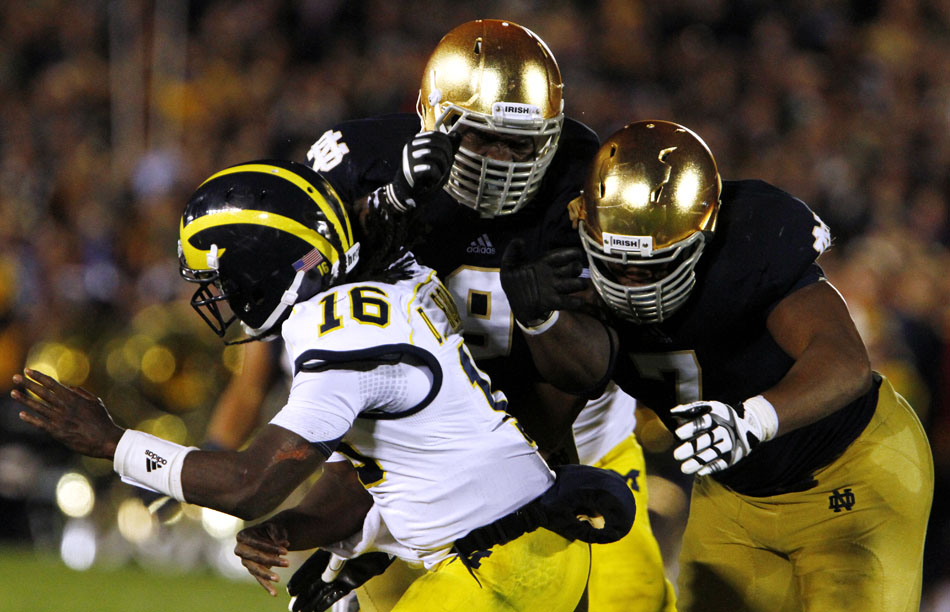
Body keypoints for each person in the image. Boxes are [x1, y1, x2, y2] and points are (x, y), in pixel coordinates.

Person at [11, 160, 637, 612]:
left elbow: (250, 483)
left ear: (262, 270)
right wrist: (296, 534)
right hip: (514, 548)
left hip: (504, 565)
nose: (221, 298)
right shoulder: (380, 287)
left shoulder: (340, 333)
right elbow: (363, 471)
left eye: (224, 282)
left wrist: (113, 443)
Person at [307, 19, 675, 612]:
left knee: (631, 599)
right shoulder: (372, 163)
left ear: (551, 138)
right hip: (424, 457)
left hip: (579, 445)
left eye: (521, 143)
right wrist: (388, 203)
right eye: (482, 137)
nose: (502, 160)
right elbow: (308, 296)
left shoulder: (589, 184)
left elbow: (581, 375)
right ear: (436, 121)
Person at [500, 119, 935, 612]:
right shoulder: (568, 266)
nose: (632, 281)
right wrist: (539, 320)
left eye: (654, 264)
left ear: (703, 233)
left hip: (851, 473)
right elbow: (564, 397)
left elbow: (844, 362)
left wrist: (753, 419)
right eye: (615, 261)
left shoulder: (750, 243)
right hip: (733, 494)